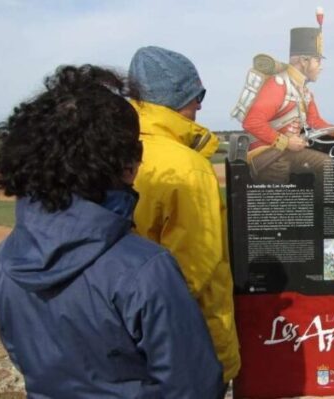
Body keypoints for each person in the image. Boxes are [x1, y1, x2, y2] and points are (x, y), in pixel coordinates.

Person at [0, 65, 223, 398]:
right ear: (127, 165)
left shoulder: (5, 257)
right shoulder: (146, 269)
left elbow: (22, 353)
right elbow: (193, 386)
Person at [127, 46, 240, 387]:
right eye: (196, 95)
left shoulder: (115, 148)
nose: (201, 105)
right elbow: (194, 269)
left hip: (128, 343)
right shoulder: (186, 167)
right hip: (189, 345)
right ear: (173, 100)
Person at [242, 24, 334, 184]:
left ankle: (321, 209)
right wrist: (285, 141)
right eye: (317, 61)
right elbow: (252, 122)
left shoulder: (304, 92)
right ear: (304, 61)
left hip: (285, 152)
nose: (321, 67)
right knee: (279, 183)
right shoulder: (278, 85)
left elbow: (315, 122)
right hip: (267, 154)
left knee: (327, 165)